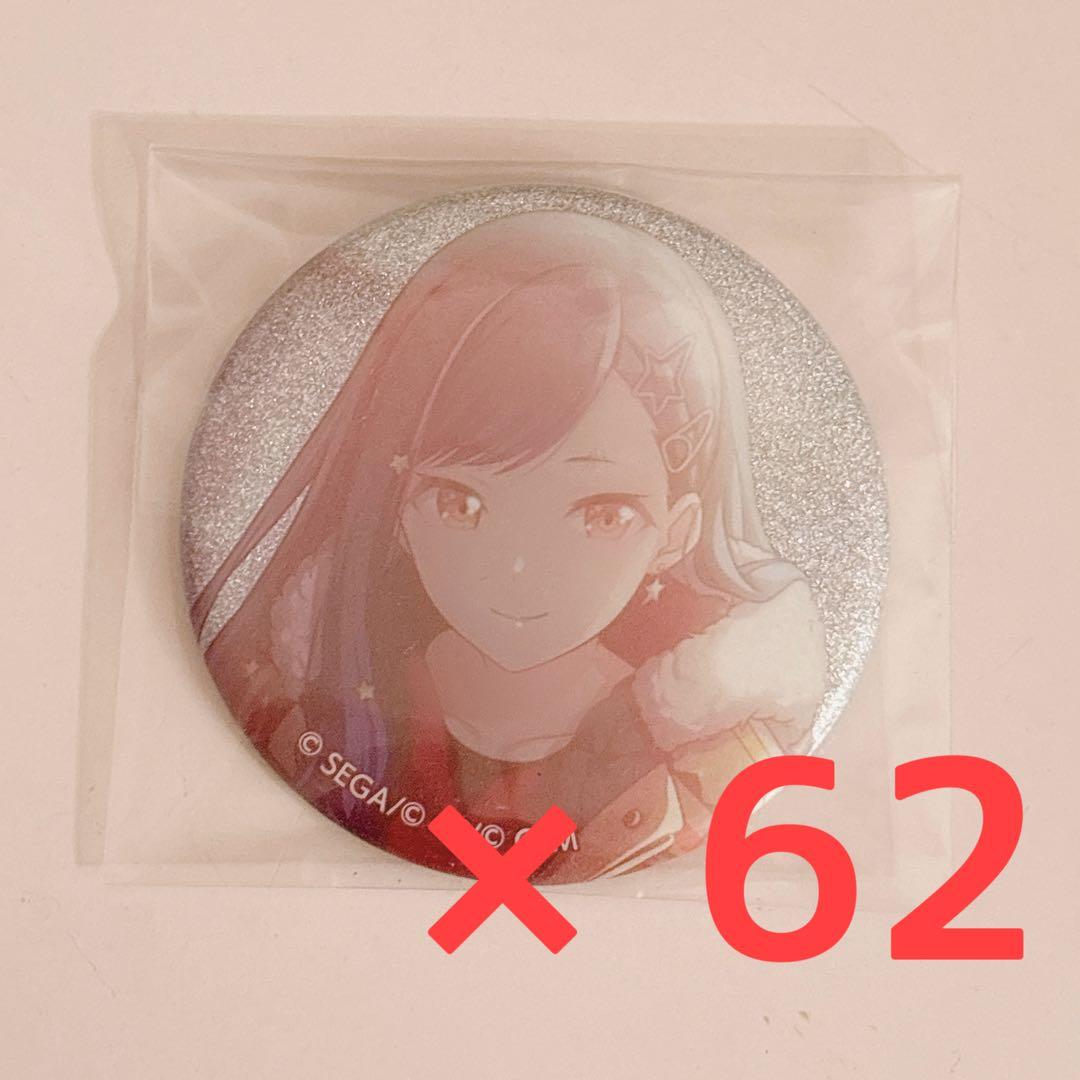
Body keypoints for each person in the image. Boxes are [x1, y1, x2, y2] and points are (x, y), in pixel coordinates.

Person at [190, 210, 827, 882]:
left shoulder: (707, 762)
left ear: (677, 534)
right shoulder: (314, 712)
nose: (521, 568)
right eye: (460, 503)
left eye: (602, 515)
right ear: (399, 512)